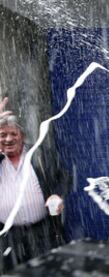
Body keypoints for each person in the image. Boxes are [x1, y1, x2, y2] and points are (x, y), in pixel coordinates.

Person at [0, 97, 71, 273]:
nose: (8, 139)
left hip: (42, 233)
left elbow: (64, 177)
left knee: (46, 272)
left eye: (13, 134)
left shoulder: (40, 155)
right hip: (8, 237)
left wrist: (57, 194)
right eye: (2, 134)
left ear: (22, 136)